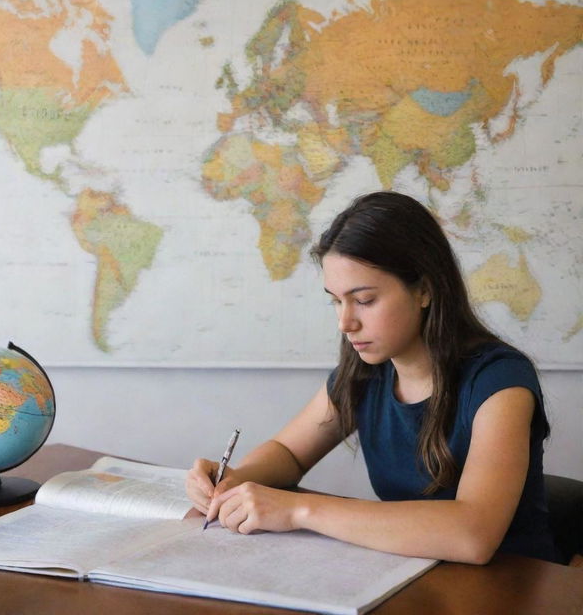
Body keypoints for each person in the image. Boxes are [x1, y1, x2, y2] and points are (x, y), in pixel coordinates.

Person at [186, 191, 556, 564]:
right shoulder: (363, 373)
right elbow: (289, 453)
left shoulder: (501, 381)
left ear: (425, 290)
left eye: (364, 300)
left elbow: (472, 535)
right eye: (336, 300)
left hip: (511, 586)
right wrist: (234, 482)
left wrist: (298, 509)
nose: (345, 323)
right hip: (413, 576)